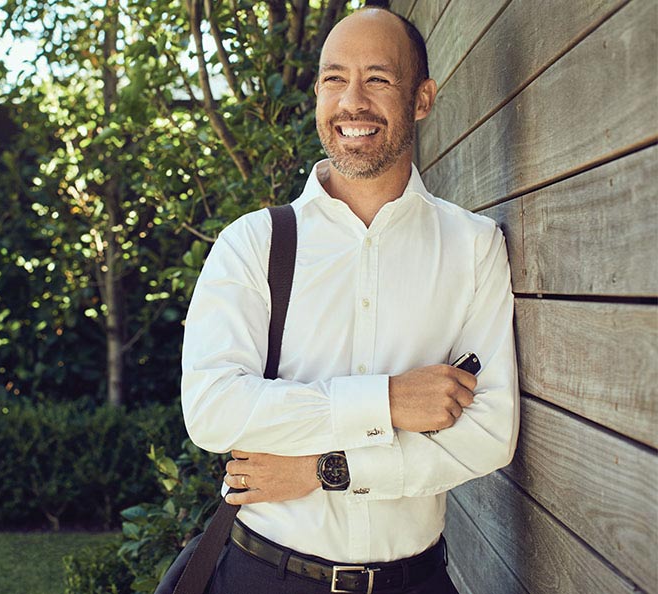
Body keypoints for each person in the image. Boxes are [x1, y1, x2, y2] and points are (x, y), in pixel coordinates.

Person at [181, 6, 518, 594]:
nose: (352, 102)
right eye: (334, 79)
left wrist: (322, 470)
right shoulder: (252, 244)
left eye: (378, 79)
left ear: (422, 98)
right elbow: (213, 409)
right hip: (264, 576)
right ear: (316, 95)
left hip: (416, 581)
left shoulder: (473, 247)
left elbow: (487, 433)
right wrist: (387, 401)